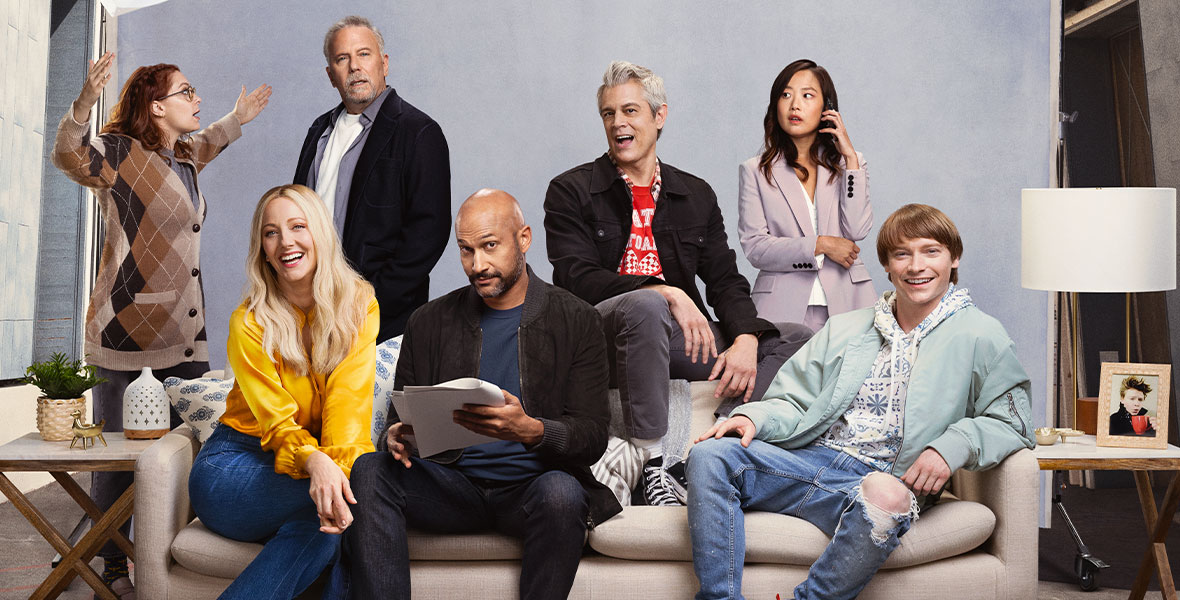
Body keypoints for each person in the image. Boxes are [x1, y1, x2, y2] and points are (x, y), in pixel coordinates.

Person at [687, 204, 1035, 600]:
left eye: (931, 251)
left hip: (883, 479)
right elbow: (793, 400)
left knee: (887, 494)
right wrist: (754, 418)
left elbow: (1013, 420)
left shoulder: (981, 335)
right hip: (808, 461)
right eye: (902, 254)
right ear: (887, 266)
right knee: (712, 455)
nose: (916, 266)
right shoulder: (847, 327)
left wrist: (951, 447)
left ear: (954, 258)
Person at [51, 53, 270, 598]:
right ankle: (111, 563)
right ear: (156, 105)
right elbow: (66, 154)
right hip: (127, 331)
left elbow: (211, 138)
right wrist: (83, 103)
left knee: (186, 447)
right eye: (187, 91)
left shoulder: (185, 156)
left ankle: (172, 555)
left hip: (185, 330)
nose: (197, 99)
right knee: (121, 458)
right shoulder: (120, 155)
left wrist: (238, 117)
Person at [543, 60, 812, 506]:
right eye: (609, 114)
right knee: (645, 306)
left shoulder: (696, 194)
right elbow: (576, 277)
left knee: (795, 337)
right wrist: (664, 290)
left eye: (630, 111)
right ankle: (653, 468)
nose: (618, 123)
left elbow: (725, 277)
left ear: (658, 116)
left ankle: (713, 445)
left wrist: (745, 337)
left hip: (679, 339)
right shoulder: (570, 190)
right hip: (602, 338)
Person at [341, 189, 620, 599]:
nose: (478, 264)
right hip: (451, 485)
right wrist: (399, 436)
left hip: (533, 487)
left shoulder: (577, 319)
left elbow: (592, 436)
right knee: (369, 470)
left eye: (490, 246)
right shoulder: (428, 322)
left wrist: (532, 430)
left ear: (523, 239)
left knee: (563, 493)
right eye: (466, 250)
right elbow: (405, 414)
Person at [188, 184, 378, 599]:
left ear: (320, 234)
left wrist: (334, 469)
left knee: (329, 524)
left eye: (297, 226)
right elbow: (277, 423)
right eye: (271, 232)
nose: (285, 242)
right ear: (262, 248)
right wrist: (319, 466)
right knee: (346, 501)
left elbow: (349, 408)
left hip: (310, 465)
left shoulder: (359, 305)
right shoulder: (249, 322)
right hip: (232, 467)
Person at [294, 15, 451, 342]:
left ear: (384, 63)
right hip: (311, 313)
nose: (354, 66)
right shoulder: (318, 131)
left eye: (364, 54)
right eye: (342, 58)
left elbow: (428, 233)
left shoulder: (419, 132)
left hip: (382, 320)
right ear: (330, 75)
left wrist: (368, 301)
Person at [738, 59, 875, 332]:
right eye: (785, 95)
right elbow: (756, 248)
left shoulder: (852, 163)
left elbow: (857, 229)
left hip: (849, 303)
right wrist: (820, 244)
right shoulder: (755, 170)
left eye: (807, 95)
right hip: (781, 307)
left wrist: (849, 157)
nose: (794, 105)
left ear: (827, 108)